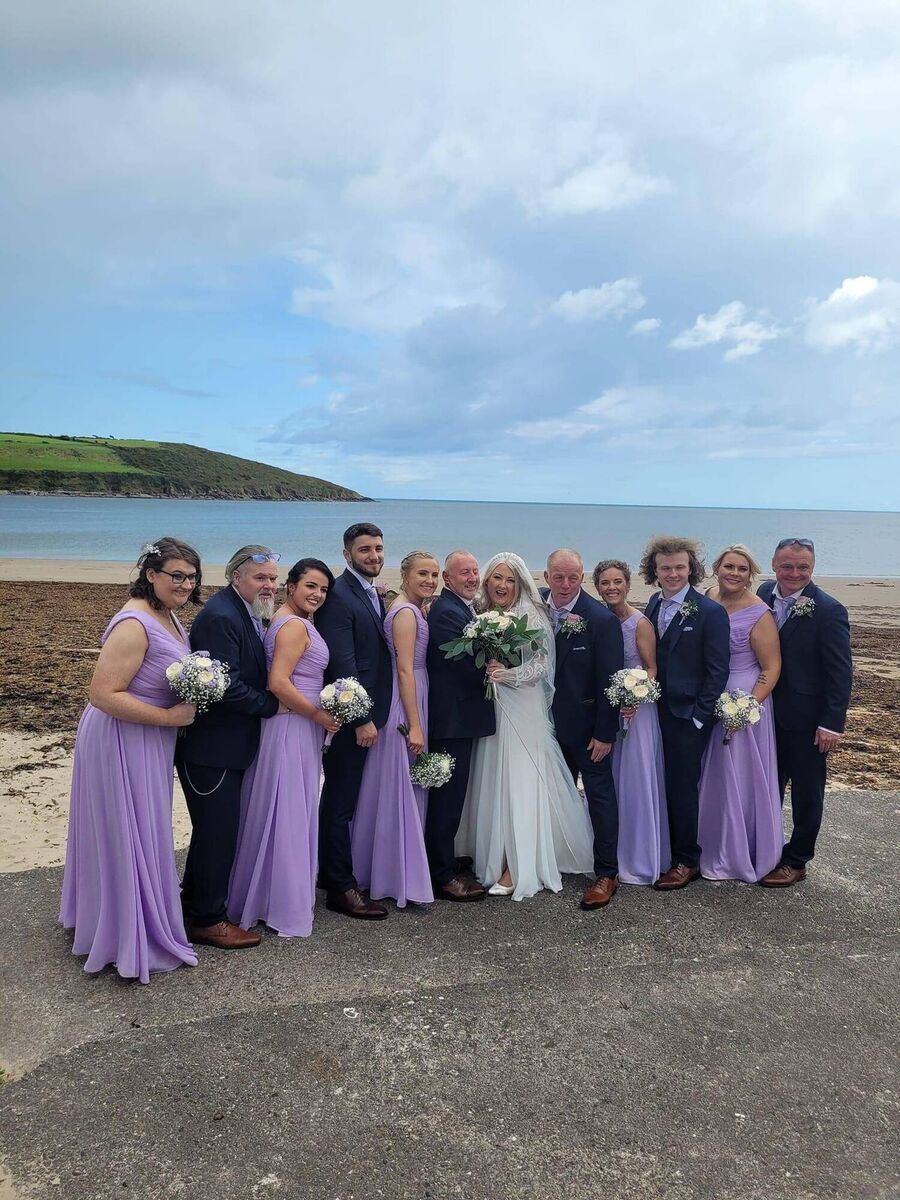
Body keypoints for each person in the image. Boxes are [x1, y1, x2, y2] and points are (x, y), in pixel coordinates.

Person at [60, 538, 201, 983]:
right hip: (121, 736)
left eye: (191, 576)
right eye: (175, 575)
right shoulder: (134, 623)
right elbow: (102, 694)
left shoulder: (169, 615)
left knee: (143, 826)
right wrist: (168, 716)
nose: (184, 583)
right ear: (151, 575)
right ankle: (126, 932)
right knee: (127, 827)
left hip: (150, 738)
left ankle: (121, 917)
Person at [456, 552, 594, 900]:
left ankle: (517, 864)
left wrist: (505, 674)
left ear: (520, 583)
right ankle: (491, 852)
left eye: (510, 580)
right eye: (497, 578)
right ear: (487, 581)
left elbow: (541, 667)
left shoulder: (530, 614)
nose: (503, 585)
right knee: (493, 778)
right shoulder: (481, 614)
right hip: (493, 708)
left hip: (522, 706)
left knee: (520, 779)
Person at [177, 545, 281, 949]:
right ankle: (207, 920)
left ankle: (193, 908)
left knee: (213, 833)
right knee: (216, 833)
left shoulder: (247, 610)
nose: (269, 585)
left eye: (273, 578)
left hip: (227, 745)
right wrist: (272, 706)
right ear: (235, 577)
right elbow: (224, 686)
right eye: (261, 578)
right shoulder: (221, 616)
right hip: (212, 747)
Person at [228, 559, 339, 937]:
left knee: (283, 808)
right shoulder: (292, 625)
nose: (317, 594)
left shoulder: (286, 620)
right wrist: (318, 715)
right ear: (291, 586)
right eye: (310, 585)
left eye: (323, 589)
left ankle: (265, 895)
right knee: (288, 809)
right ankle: (282, 903)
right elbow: (278, 682)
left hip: (295, 725)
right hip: (293, 725)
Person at [757, 538, 853, 886]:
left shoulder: (829, 610)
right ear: (774, 564)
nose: (794, 573)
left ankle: (797, 860)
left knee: (806, 792)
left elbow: (841, 673)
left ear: (812, 568)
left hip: (807, 720)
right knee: (767, 786)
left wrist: (831, 723)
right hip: (765, 716)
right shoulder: (764, 593)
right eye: (787, 566)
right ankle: (766, 850)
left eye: (803, 567)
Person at [641, 536, 731, 890]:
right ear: (655, 571)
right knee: (658, 782)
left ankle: (686, 860)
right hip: (654, 711)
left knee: (682, 787)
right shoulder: (652, 603)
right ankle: (661, 850)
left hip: (688, 716)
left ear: (691, 568)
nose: (673, 573)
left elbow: (717, 670)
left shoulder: (710, 612)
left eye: (680, 567)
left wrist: (699, 717)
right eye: (666, 568)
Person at [351, 551, 439, 908]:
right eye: (422, 573)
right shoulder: (405, 613)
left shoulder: (410, 607)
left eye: (434, 574)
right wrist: (415, 725)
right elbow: (404, 669)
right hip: (406, 700)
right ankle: (397, 874)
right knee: (399, 782)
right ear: (404, 575)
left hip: (415, 692)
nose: (430, 580)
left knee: (396, 781)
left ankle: (390, 867)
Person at [316, 523, 393, 919]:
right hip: (350, 717)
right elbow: (343, 664)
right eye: (365, 550)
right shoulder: (339, 597)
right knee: (341, 801)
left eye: (378, 548)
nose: (374, 556)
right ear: (347, 555)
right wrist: (361, 718)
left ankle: (329, 871)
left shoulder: (369, 592)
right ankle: (340, 888)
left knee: (346, 798)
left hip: (370, 713)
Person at [541, 549, 624, 909]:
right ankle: (558, 860)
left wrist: (605, 733)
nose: (565, 584)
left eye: (572, 577)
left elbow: (611, 680)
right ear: (546, 577)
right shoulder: (535, 612)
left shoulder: (601, 620)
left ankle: (607, 873)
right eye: (558, 577)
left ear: (582, 577)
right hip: (543, 727)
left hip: (588, 729)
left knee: (600, 797)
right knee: (552, 798)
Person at [697, 546, 783, 881]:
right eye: (728, 566)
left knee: (739, 776)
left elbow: (771, 666)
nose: (734, 573)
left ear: (751, 575)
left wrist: (747, 707)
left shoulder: (759, 612)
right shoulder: (706, 597)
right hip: (707, 695)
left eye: (742, 569)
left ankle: (739, 850)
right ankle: (706, 843)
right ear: (716, 568)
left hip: (743, 698)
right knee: (709, 774)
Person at [594, 559, 670, 887]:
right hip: (606, 710)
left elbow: (652, 668)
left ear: (628, 585)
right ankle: (610, 850)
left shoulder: (639, 623)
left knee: (636, 781)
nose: (611, 588)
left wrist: (634, 697)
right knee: (610, 781)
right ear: (597, 587)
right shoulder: (596, 619)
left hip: (636, 713)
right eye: (605, 583)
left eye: (617, 582)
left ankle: (638, 855)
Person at [424, 550, 493, 902]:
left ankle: (445, 858)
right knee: (447, 800)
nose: (472, 577)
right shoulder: (447, 613)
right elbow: (466, 664)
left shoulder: (462, 608)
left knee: (454, 796)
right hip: (452, 721)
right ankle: (441, 875)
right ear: (447, 579)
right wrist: (498, 665)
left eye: (475, 570)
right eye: (463, 572)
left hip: (460, 718)